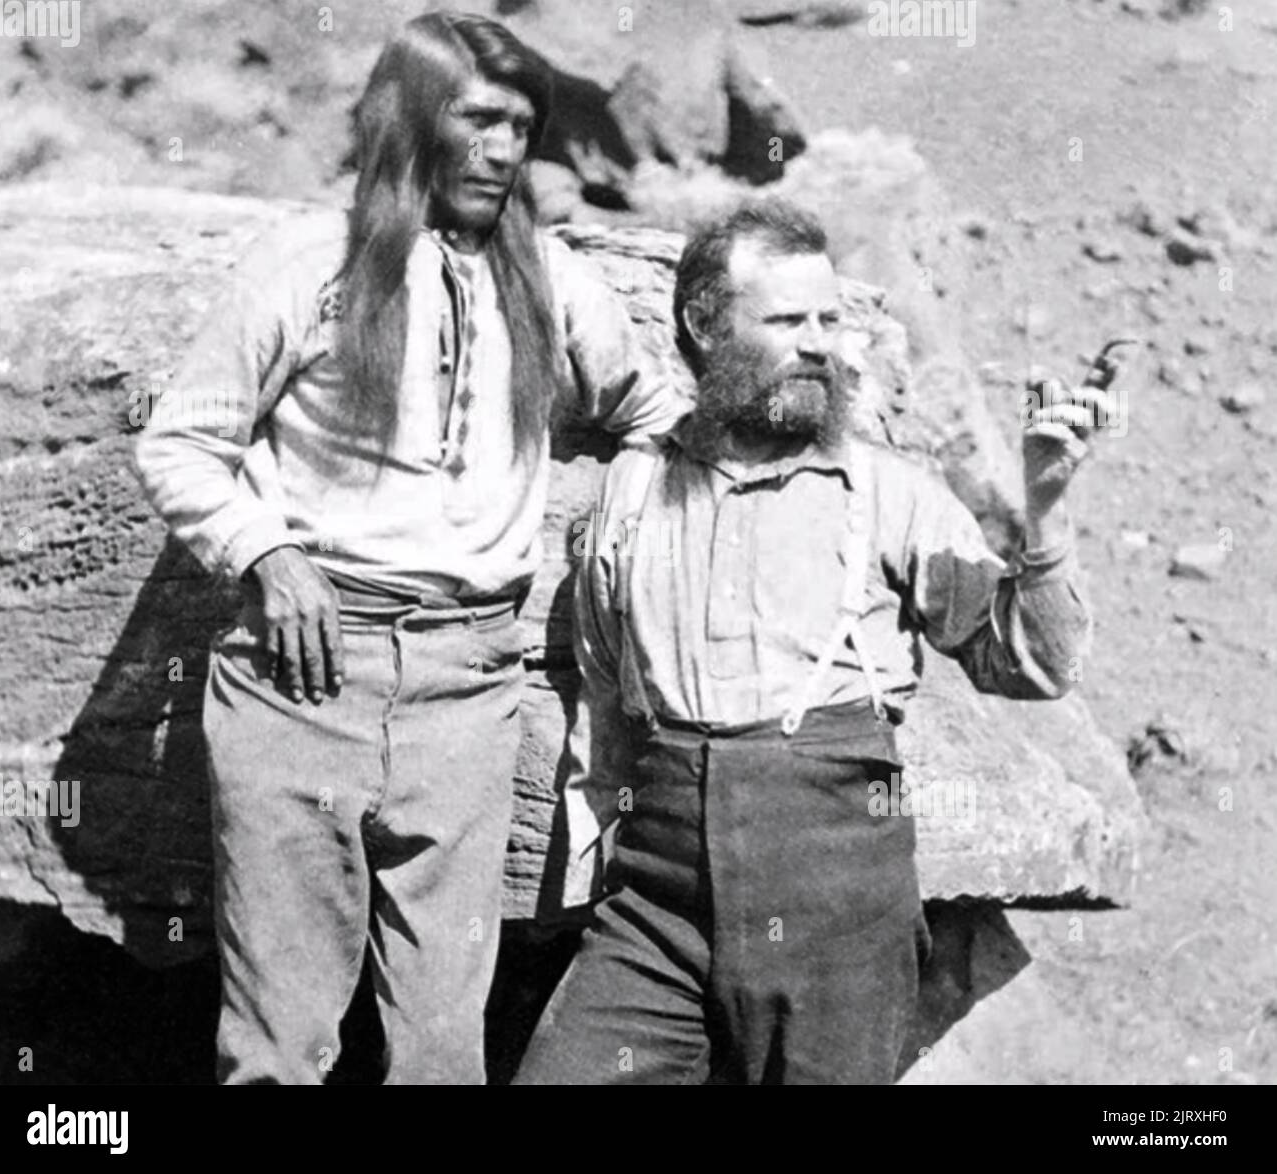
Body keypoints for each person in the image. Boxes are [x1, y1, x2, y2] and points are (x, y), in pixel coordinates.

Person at [134, 13, 685, 1085]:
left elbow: (652, 413)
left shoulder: (552, 280)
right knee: (278, 1046)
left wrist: (614, 533)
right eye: (478, 118)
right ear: (412, 117)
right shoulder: (308, 263)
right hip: (299, 680)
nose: (503, 149)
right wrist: (266, 555)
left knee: (440, 1047)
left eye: (521, 126)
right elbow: (184, 440)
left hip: (467, 687)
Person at [515, 198, 1106, 1085]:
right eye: (788, 320)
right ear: (705, 327)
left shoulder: (884, 494)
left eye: (829, 319)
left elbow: (1030, 659)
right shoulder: (634, 490)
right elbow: (607, 695)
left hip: (837, 901)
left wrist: (1048, 511)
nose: (821, 343)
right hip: (658, 902)